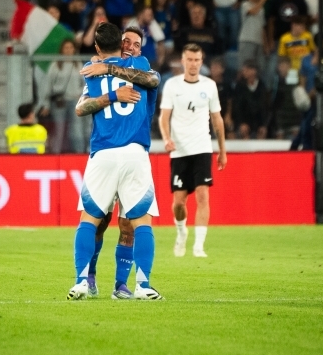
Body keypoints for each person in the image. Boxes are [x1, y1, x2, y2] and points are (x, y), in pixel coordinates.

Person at [68, 22, 162, 301]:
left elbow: (82, 109)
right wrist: (114, 95)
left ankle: (86, 282)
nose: (131, 48)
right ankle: (142, 284)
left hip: (105, 154)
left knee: (92, 219)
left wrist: (106, 71)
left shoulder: (94, 70)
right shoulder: (137, 65)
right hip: (133, 152)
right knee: (137, 221)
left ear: (97, 47)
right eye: (127, 42)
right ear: (120, 44)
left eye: (135, 44)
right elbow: (80, 108)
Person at [158, 42, 227, 258]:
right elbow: (164, 117)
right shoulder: (171, 85)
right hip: (179, 150)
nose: (193, 64)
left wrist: (222, 150)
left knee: (202, 195)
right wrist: (167, 139)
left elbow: (217, 119)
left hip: (202, 147)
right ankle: (181, 233)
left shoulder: (209, 86)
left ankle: (199, 246)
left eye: (197, 60)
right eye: (189, 59)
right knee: (178, 203)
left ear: (202, 61)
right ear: (183, 60)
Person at [39, 39, 89, 153]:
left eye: (70, 48)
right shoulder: (55, 65)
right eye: (66, 48)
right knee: (59, 129)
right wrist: (45, 104)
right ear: (62, 50)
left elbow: (85, 83)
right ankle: (56, 154)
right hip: (59, 101)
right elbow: (47, 85)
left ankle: (79, 153)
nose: (68, 50)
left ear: (74, 50)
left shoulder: (78, 64)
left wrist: (81, 95)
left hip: (75, 100)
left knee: (77, 128)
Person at [231, 60, 270, 139]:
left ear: (254, 71)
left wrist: (263, 125)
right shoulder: (240, 86)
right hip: (244, 120)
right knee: (243, 131)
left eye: (246, 69)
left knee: (263, 132)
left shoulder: (262, 86)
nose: (244, 72)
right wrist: (241, 123)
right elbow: (237, 107)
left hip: (258, 121)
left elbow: (265, 107)